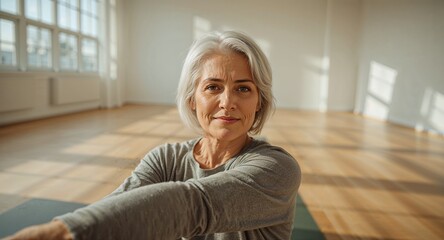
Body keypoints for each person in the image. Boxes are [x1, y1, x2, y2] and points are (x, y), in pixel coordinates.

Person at [6, 31, 301, 240]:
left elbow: (191, 205)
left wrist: (59, 232)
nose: (228, 102)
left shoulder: (277, 170)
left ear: (259, 101)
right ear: (191, 99)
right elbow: (115, 208)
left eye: (243, 88)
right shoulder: (165, 159)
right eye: (213, 87)